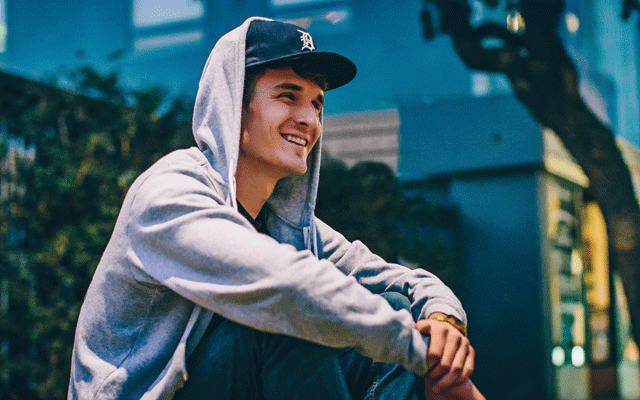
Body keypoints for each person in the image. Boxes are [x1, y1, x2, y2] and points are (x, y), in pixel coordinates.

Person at [68, 16, 485, 400]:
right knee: (289, 319)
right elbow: (284, 287)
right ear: (235, 105)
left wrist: (441, 321)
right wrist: (417, 349)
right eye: (288, 96)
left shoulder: (289, 226)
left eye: (317, 104)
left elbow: (400, 281)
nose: (309, 119)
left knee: (393, 305)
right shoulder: (169, 193)